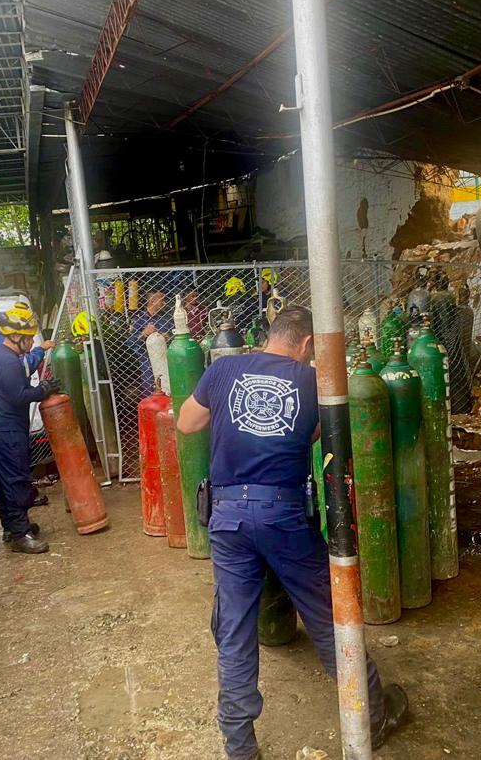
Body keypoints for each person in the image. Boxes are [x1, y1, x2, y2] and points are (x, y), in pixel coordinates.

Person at [177, 306, 408, 759]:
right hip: (284, 515)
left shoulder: (222, 369)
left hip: (228, 518)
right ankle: (372, 716)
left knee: (236, 630)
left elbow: (187, 423)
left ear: (271, 334)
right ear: (305, 345)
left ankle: (240, 748)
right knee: (327, 615)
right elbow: (318, 433)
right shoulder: (311, 380)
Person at [0, 305, 61, 554]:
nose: (31, 342)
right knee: (16, 480)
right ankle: (20, 534)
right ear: (17, 337)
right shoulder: (8, 362)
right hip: (6, 429)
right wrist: (43, 390)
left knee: (3, 480)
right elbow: (19, 396)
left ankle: (11, 527)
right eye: (29, 338)